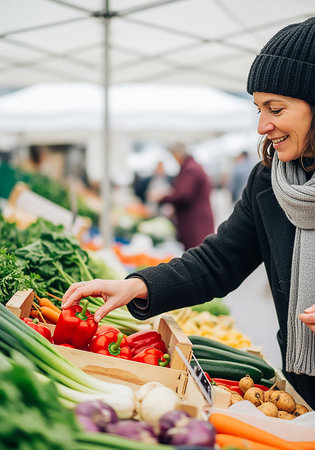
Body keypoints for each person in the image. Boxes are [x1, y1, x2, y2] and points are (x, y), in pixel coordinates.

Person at [62, 18, 315, 409]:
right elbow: (218, 261)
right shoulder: (268, 183)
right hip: (304, 384)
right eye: (258, 109)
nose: (263, 126)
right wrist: (138, 285)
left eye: (276, 108)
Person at [154, 142, 215, 250]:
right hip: (195, 220)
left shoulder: (191, 169)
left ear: (178, 154)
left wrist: (162, 198)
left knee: (196, 254)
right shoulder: (192, 167)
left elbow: (183, 195)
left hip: (196, 222)